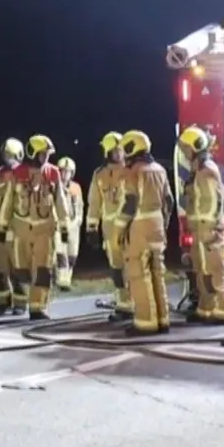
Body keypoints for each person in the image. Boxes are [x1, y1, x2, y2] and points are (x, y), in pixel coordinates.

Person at [119, 131, 175, 336]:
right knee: (157, 274)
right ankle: (163, 319)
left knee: (139, 276)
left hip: (140, 228)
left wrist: (120, 228)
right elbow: (169, 202)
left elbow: (130, 204)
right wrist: (163, 223)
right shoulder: (159, 169)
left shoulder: (134, 171)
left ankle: (146, 322)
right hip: (158, 226)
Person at [7, 135, 68, 319]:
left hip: (45, 231)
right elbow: (8, 202)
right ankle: (24, 298)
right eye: (43, 154)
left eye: (48, 154)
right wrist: (1, 227)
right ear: (33, 153)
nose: (46, 158)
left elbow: (60, 201)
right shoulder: (18, 173)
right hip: (22, 231)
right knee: (21, 269)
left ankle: (37, 308)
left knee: (43, 271)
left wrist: (64, 227)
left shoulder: (53, 173)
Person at [178, 127, 224, 324]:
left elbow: (215, 202)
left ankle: (223, 310)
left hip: (208, 230)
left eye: (186, 148)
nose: (184, 152)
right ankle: (206, 309)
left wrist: (209, 227)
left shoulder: (207, 170)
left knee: (213, 273)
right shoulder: (198, 170)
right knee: (202, 272)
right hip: (200, 230)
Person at [86, 132, 131, 322]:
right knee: (116, 268)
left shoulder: (131, 170)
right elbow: (94, 203)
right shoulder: (99, 175)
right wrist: (91, 228)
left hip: (130, 227)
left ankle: (137, 303)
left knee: (133, 267)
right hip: (109, 230)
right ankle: (124, 305)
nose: (118, 154)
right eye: (114, 151)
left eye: (120, 150)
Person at [0, 138, 26, 314]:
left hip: (18, 232)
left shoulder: (26, 174)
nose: (6, 159)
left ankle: (20, 303)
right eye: (5, 155)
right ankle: (4, 301)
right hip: (0, 233)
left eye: (9, 155)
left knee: (18, 271)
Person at [53, 157, 84, 290]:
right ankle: (62, 281)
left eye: (68, 172)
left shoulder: (76, 187)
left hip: (73, 226)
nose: (65, 174)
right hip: (59, 225)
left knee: (72, 255)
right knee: (60, 253)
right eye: (62, 171)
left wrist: (78, 220)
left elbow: (80, 206)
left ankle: (67, 278)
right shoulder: (54, 187)